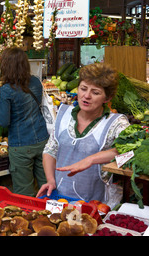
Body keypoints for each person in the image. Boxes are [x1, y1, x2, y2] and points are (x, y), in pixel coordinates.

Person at [36, 62, 130, 203]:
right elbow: (50, 150)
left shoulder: (116, 123)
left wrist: (91, 159)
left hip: (95, 204)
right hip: (60, 198)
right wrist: (50, 180)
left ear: (108, 98)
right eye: (83, 88)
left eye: (95, 92)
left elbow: (129, 151)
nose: (86, 96)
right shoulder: (63, 113)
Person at [0, 47, 49, 196]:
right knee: (47, 186)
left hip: (21, 145)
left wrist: (2, 99)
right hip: (42, 139)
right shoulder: (36, 82)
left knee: (25, 192)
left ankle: (28, 218)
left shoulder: (7, 89)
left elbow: (3, 121)